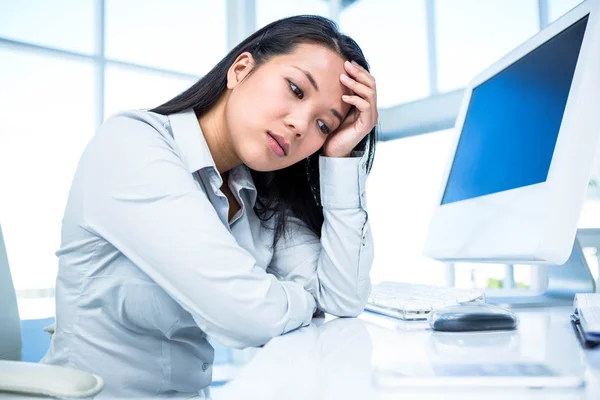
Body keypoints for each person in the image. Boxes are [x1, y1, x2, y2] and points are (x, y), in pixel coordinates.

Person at [41, 15, 377, 398]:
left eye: (323, 125)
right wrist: (302, 300)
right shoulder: (131, 146)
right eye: (296, 90)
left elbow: (341, 298)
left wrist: (341, 157)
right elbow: (246, 317)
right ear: (241, 69)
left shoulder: (256, 194)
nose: (301, 124)